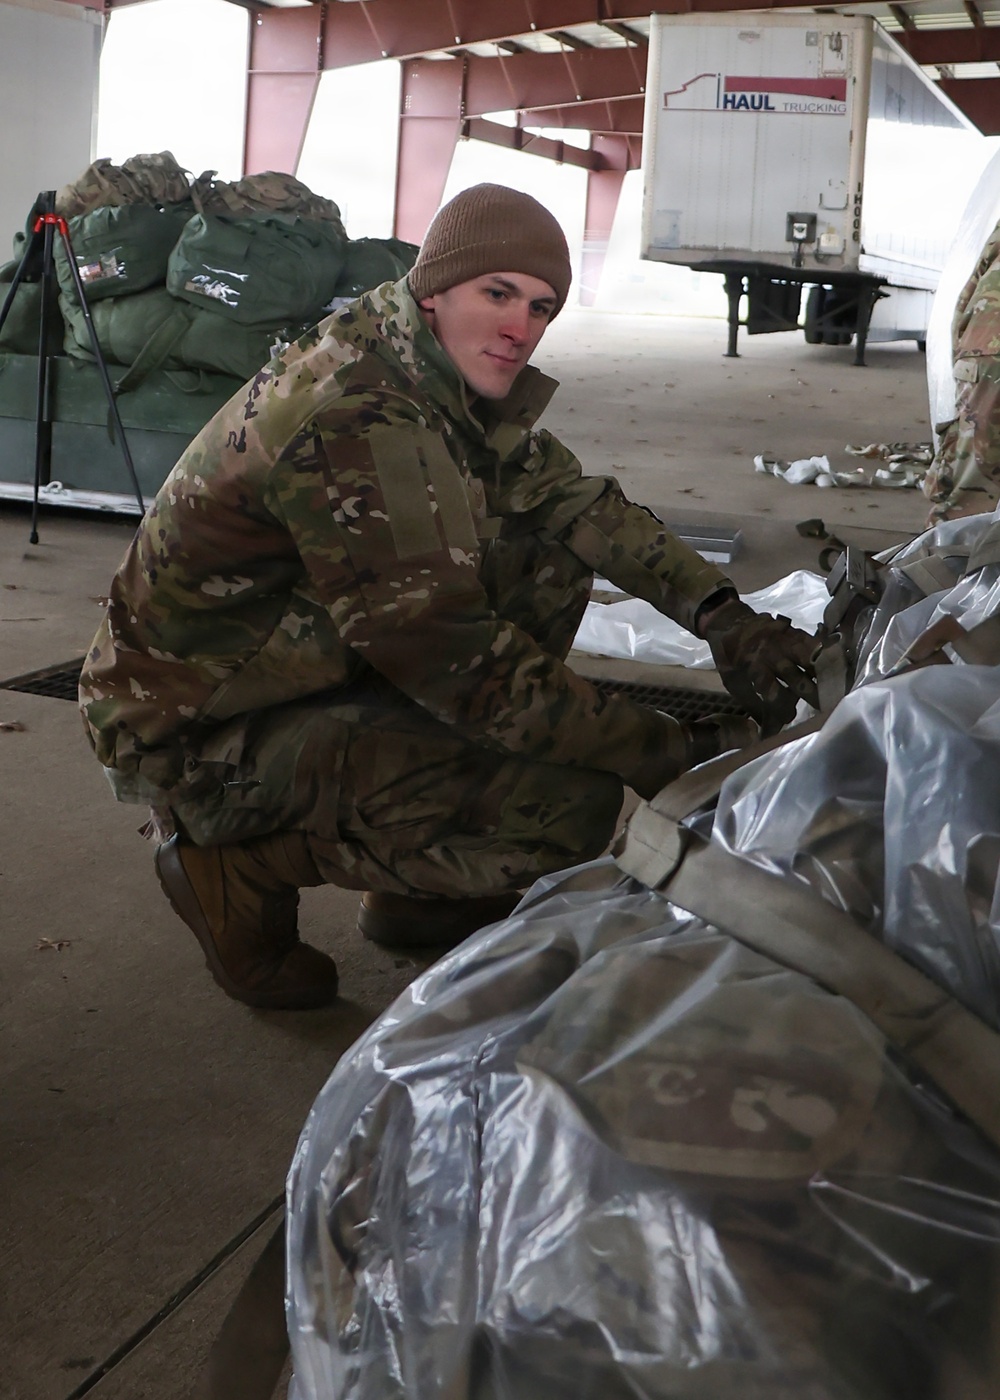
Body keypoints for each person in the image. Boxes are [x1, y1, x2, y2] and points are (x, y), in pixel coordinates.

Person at [79, 183, 818, 1011]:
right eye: (496, 293)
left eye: (540, 306)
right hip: (199, 732)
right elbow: (466, 667)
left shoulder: (431, 367)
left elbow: (581, 505)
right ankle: (230, 860)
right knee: (580, 818)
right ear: (435, 287)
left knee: (543, 546)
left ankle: (415, 889)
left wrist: (723, 617)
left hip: (299, 666)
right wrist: (679, 754)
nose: (520, 327)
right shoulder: (360, 415)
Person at [924, 215, 1000, 522]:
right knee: (973, 495)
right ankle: (950, 562)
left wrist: (964, 356)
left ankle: (942, 559)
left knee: (968, 487)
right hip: (988, 354)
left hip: (981, 350)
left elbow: (966, 295)